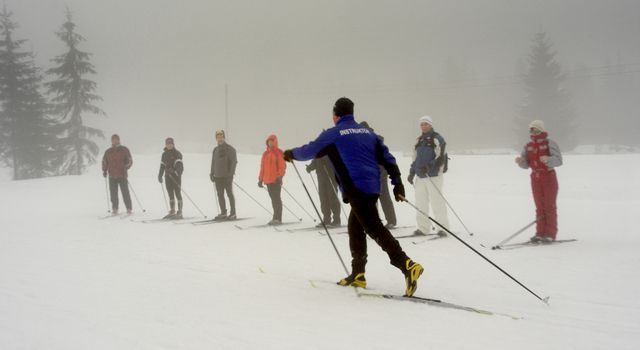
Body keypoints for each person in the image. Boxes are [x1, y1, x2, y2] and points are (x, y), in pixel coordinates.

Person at [283, 97, 423, 297]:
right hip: (373, 187)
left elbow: (310, 150)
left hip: (356, 188)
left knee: (374, 228)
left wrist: (291, 154)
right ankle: (358, 274)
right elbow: (387, 158)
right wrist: (397, 183)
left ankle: (407, 265)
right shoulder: (368, 133)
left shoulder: (334, 134)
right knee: (355, 226)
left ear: (335, 115)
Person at [515, 120, 563, 243]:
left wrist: (548, 159)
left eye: (535, 129)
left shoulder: (549, 143)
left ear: (541, 130)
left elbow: (558, 160)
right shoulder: (528, 146)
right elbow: (526, 165)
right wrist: (521, 162)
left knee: (549, 206)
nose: (533, 131)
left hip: (548, 177)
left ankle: (550, 234)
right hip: (535, 178)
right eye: (531, 129)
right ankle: (540, 233)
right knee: (539, 207)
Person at [407, 116, 450, 237]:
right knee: (421, 203)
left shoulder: (438, 138)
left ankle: (443, 229)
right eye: (422, 124)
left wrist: (429, 166)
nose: (424, 126)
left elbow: (441, 156)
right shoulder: (418, 140)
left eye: (426, 124)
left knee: (437, 202)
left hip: (433, 176)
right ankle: (423, 228)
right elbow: (414, 158)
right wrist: (411, 172)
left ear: (431, 125)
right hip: (420, 176)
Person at [360, 121, 397, 229]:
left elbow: (384, 158)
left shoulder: (375, 140)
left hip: (380, 173)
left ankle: (391, 220)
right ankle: (373, 221)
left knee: (383, 197)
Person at [102, 134, 133, 215]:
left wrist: (125, 167)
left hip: (122, 174)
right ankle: (115, 208)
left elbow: (130, 160)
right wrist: (104, 170)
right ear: (111, 141)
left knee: (125, 192)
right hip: (112, 175)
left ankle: (129, 208)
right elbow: (104, 161)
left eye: (116, 139)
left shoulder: (124, 149)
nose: (115, 141)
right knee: (113, 193)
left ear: (119, 140)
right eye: (113, 139)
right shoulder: (108, 151)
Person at [306, 155, 341, 228]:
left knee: (332, 198)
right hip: (321, 177)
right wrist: (310, 167)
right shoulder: (319, 151)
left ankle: (336, 220)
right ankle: (326, 219)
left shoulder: (330, 148)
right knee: (323, 199)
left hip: (331, 177)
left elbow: (337, 162)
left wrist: (327, 163)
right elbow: (315, 161)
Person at [210, 130, 238, 220]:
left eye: (221, 136)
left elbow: (234, 162)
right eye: (218, 137)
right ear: (216, 138)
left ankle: (233, 213)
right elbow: (213, 162)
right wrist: (211, 173)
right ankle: (223, 213)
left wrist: (230, 175)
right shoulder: (215, 150)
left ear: (224, 137)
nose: (220, 138)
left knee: (229, 194)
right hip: (217, 177)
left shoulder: (230, 149)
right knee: (220, 195)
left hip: (227, 177)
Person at [259, 134, 286, 225]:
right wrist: (260, 179)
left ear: (275, 142)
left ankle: (278, 218)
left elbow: (282, 166)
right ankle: (275, 217)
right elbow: (262, 167)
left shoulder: (279, 152)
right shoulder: (265, 154)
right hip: (267, 181)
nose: (270, 143)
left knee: (277, 199)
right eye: (269, 141)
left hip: (276, 180)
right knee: (273, 199)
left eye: (272, 141)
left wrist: (280, 176)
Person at [158, 137, 184, 219]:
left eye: (170, 144)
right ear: (166, 145)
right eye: (167, 144)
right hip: (167, 177)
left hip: (176, 177)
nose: (169, 145)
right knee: (170, 194)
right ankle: (172, 210)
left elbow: (180, 166)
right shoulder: (164, 154)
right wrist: (160, 175)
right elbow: (162, 166)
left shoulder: (177, 153)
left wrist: (174, 171)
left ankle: (180, 211)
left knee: (177, 193)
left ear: (173, 144)